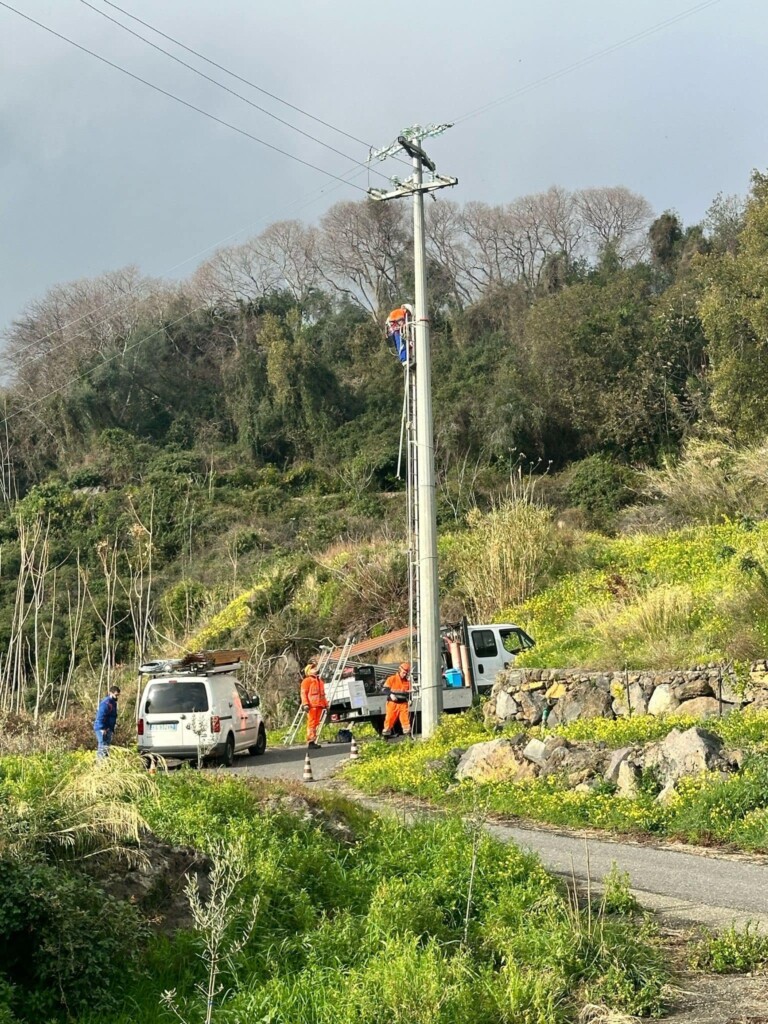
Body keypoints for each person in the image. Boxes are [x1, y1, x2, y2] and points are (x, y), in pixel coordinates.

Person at [300, 662, 328, 749]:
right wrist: (305, 704)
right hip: (311, 706)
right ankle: (310, 741)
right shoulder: (306, 681)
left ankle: (313, 740)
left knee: (316, 723)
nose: (315, 669)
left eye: (315, 668)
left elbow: (323, 695)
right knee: (311, 723)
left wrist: (326, 705)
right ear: (308, 671)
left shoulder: (320, 681)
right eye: (313, 668)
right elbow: (303, 693)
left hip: (319, 705)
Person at [382, 662, 411, 738]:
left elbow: (409, 693)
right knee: (389, 719)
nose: (404, 675)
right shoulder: (392, 679)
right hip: (392, 704)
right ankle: (385, 737)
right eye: (403, 673)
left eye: (406, 673)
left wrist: (410, 699)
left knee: (405, 721)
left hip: (403, 704)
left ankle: (408, 737)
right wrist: (391, 694)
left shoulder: (407, 682)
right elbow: (384, 689)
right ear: (399, 671)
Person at [93, 685, 120, 758]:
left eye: (118, 695)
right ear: (110, 693)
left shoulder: (113, 703)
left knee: (106, 748)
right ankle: (101, 766)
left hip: (108, 728)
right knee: (103, 747)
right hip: (102, 728)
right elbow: (100, 716)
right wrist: (102, 728)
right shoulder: (106, 703)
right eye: (116, 695)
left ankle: (105, 765)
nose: (117, 697)